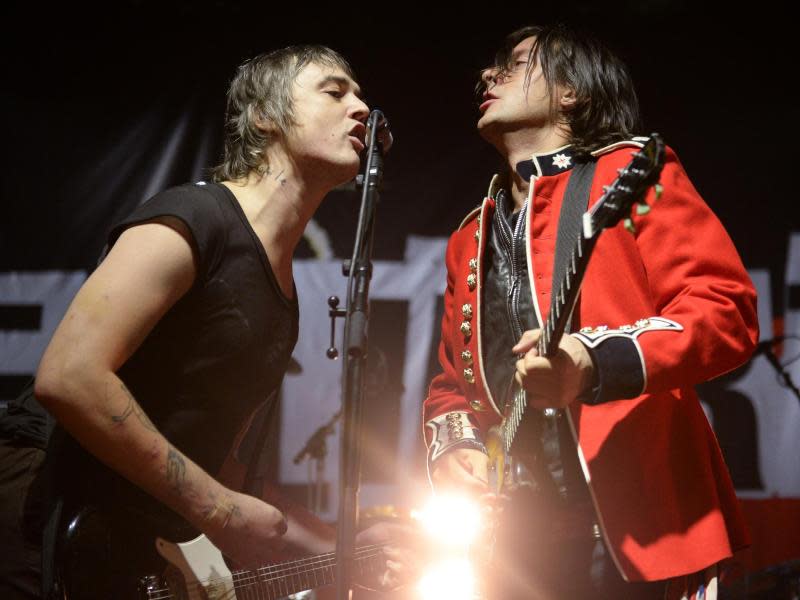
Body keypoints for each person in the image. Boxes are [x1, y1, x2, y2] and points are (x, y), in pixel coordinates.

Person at [32, 44, 409, 599]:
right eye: (336, 91)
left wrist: (341, 545)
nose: (362, 107)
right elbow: (68, 375)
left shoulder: (281, 289)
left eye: (360, 95)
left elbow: (220, 466)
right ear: (265, 115)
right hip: (42, 522)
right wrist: (218, 509)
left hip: (122, 548)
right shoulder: (196, 217)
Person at [423, 23, 758, 600]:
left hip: (636, 518)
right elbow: (452, 384)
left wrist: (592, 359)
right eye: (489, 66)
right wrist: (457, 448)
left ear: (570, 92)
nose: (487, 74)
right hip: (513, 536)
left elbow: (724, 309)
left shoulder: (628, 171)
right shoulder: (468, 237)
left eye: (515, 62)